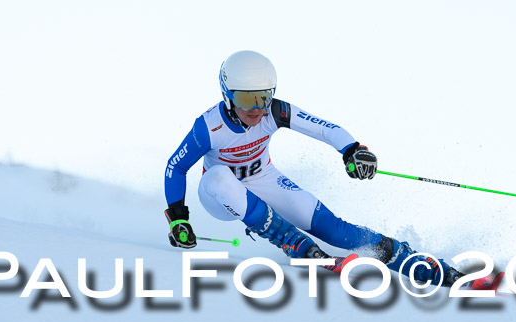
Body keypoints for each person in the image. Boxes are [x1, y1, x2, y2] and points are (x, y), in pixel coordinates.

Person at [163, 50, 462, 286]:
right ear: (227, 94)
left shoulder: (274, 111)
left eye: (263, 97)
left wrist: (352, 150)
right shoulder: (208, 127)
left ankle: (417, 263)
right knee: (218, 176)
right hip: (218, 195)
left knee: (334, 229)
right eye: (246, 99)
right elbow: (176, 168)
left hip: (262, 179)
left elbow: (323, 128)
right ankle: (295, 244)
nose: (256, 108)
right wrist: (178, 219)